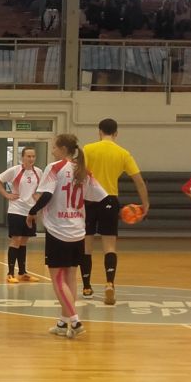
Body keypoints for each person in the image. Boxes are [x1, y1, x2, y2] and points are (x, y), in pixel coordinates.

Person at [26, 134, 109, 339]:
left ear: (63, 149)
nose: (52, 151)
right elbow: (102, 197)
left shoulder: (55, 168)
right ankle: (62, 324)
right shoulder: (83, 170)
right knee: (71, 276)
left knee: (57, 279)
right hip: (77, 231)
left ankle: (75, 320)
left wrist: (32, 212)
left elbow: (46, 195)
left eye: (54, 147)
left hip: (58, 230)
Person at [81, 118, 150, 305]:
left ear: (99, 132)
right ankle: (110, 283)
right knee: (109, 246)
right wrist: (145, 204)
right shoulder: (123, 153)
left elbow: (78, 175)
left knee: (86, 246)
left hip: (89, 200)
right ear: (116, 133)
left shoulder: (88, 149)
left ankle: (86, 286)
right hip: (110, 200)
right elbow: (139, 181)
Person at [0, 146, 42, 283]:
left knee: (24, 241)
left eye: (33, 156)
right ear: (23, 157)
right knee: (16, 240)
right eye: (28, 156)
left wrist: (38, 197)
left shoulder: (39, 172)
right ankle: (10, 273)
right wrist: (7, 194)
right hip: (16, 210)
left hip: (30, 212)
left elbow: (41, 189)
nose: (31, 159)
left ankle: (22, 272)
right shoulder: (15, 170)